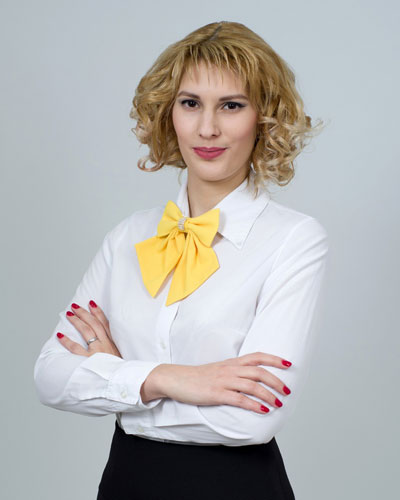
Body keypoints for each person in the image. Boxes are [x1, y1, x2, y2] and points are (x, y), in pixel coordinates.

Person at [33, 21, 329, 500]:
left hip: (237, 488)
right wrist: (175, 379)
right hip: (126, 483)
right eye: (190, 103)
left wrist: (120, 384)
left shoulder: (294, 239)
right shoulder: (127, 237)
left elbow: (253, 419)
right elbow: (50, 376)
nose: (207, 128)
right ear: (168, 112)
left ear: (264, 117)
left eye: (231, 105)